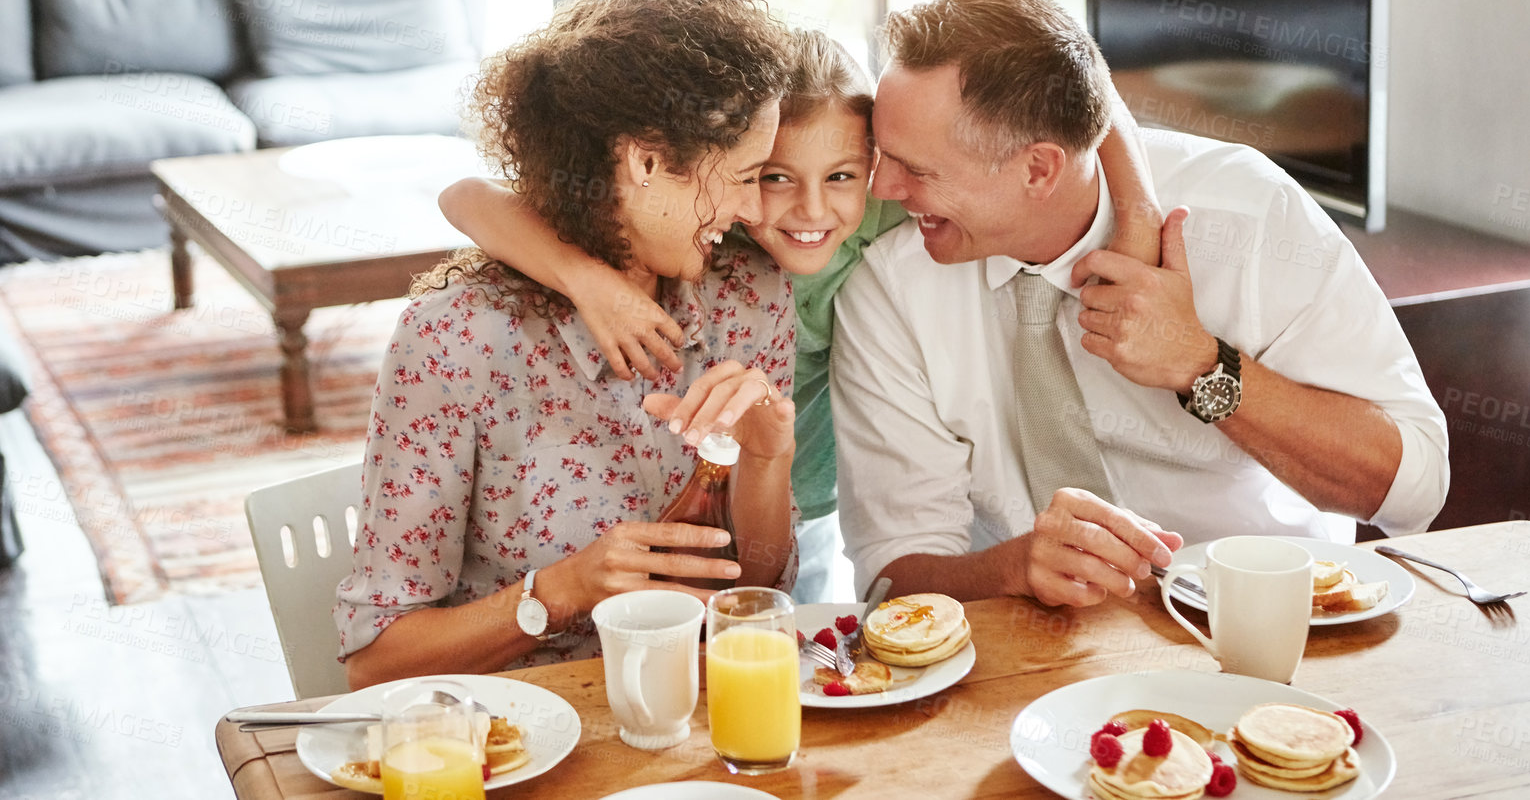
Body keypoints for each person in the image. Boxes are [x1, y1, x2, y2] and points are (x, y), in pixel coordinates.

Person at [441, 29, 1166, 603]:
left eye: (841, 177)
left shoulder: (894, 210)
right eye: (773, 177)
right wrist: (588, 280)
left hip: (822, 502)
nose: (811, 211)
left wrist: (1137, 213)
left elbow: (1077, 80)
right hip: (722, 494)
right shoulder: (714, 230)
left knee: (803, 629)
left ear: (877, 166)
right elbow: (463, 196)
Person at [832, 0, 1450, 609]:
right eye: (883, 155)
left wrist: (1202, 366)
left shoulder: (1249, 216)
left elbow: (1412, 489)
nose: (881, 189)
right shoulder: (891, 287)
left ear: (1039, 169)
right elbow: (891, 578)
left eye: (918, 168)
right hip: (1038, 655)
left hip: (1271, 628)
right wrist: (1013, 568)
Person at [336, 0, 800, 689]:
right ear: (646, 162)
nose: (754, 211)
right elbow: (376, 663)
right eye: (741, 177)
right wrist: (565, 591)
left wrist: (767, 462)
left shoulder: (749, 295)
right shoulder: (457, 340)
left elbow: (749, 590)